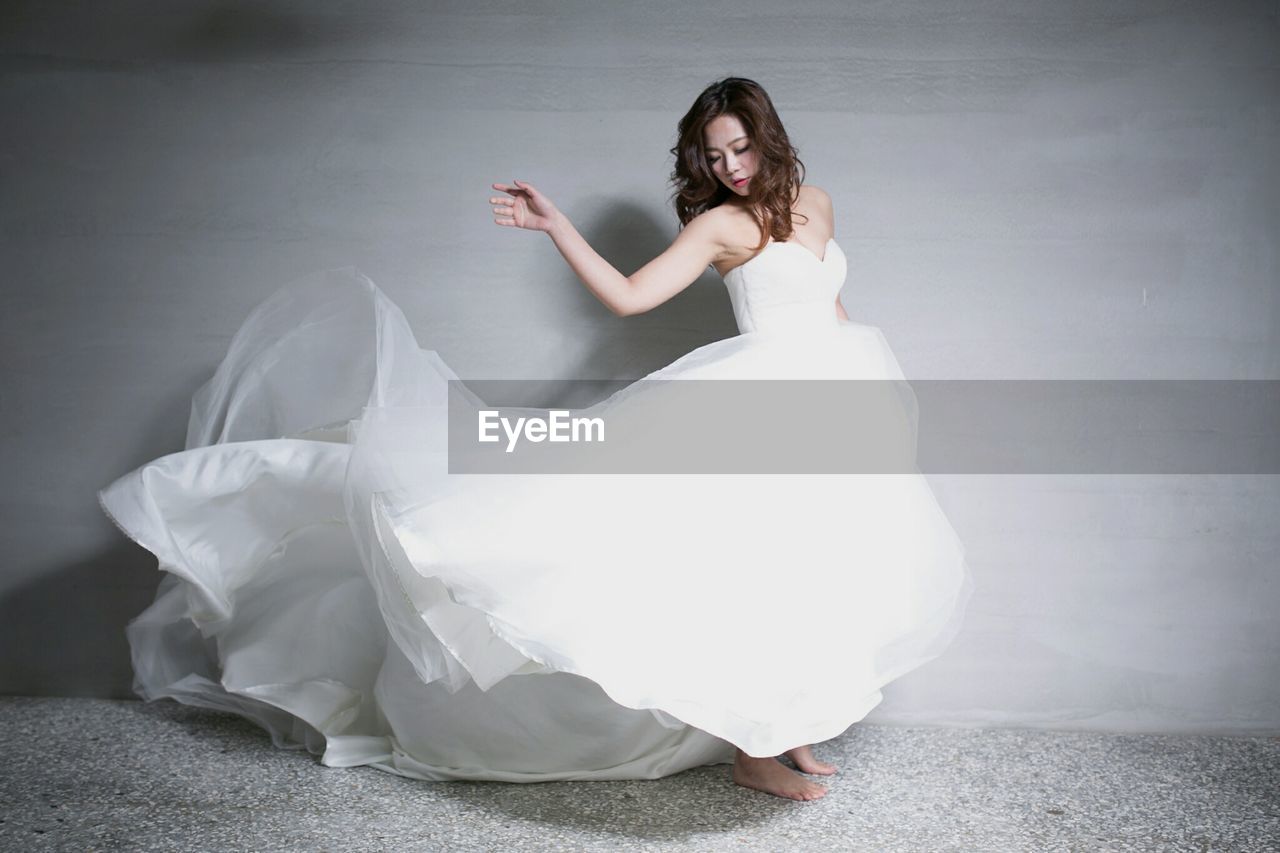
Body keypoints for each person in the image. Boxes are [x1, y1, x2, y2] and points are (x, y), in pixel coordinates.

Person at [99, 77, 972, 804]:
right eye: (712, 156)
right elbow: (630, 297)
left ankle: (795, 731)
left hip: (831, 403)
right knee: (753, 568)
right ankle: (751, 750)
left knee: (825, 566)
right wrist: (558, 228)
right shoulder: (718, 227)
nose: (729, 168)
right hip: (758, 411)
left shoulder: (816, 203)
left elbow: (833, 307)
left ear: (769, 139)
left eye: (739, 149)